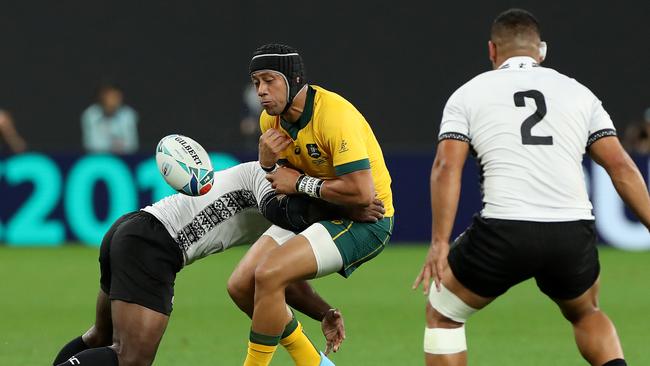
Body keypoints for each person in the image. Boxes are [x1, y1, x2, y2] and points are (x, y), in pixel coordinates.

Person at [412, 8, 650, 366]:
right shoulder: (579, 93)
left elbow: (447, 167)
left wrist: (440, 243)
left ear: (492, 51)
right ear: (541, 51)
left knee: (443, 314)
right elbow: (620, 166)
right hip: (572, 231)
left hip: (505, 231)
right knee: (586, 313)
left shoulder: (467, 94)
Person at [52, 161, 385, 366]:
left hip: (134, 230)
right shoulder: (266, 175)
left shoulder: (294, 206)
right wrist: (347, 208)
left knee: (101, 336)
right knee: (132, 357)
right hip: (152, 244)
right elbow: (277, 210)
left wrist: (324, 313)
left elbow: (275, 277)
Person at [231, 44, 395, 366]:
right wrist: (266, 166)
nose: (261, 92)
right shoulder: (270, 122)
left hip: (367, 221)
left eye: (269, 81)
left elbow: (363, 194)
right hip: (323, 209)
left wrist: (301, 184)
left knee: (268, 275)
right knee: (241, 285)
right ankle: (318, 361)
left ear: (294, 80)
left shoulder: (334, 116)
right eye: (256, 83)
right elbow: (281, 187)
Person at [81, 83, 139, 154]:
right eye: (111, 97)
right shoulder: (90, 115)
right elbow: (91, 145)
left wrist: (119, 147)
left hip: (124, 157)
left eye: (117, 97)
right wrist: (112, 146)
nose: (114, 101)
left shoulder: (128, 114)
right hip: (98, 158)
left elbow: (132, 145)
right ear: (102, 97)